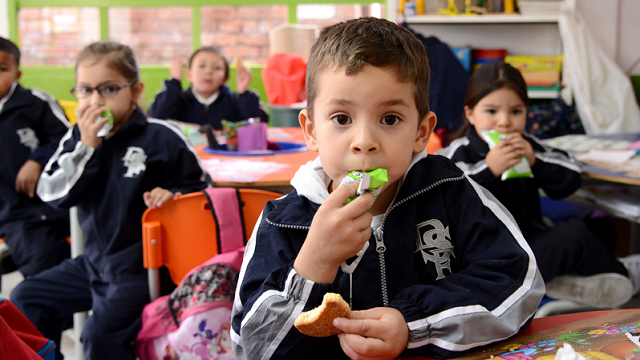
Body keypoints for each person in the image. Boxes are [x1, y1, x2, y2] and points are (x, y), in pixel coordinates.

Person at [231, 17, 545, 360]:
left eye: (390, 119)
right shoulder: (281, 221)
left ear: (421, 133)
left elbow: (521, 282)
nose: (364, 142)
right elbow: (252, 347)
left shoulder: (452, 191)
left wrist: (413, 323)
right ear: (310, 130)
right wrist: (313, 264)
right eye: (341, 118)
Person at [10, 41, 209, 360]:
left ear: (134, 90)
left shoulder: (161, 136)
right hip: (94, 262)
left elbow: (201, 193)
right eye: (85, 91)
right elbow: (53, 194)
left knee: (97, 338)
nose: (94, 100)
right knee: (25, 299)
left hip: (142, 269)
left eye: (108, 89)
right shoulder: (79, 137)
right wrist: (87, 146)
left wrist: (174, 198)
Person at [438, 61, 634, 309]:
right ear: (470, 113)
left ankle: (554, 281)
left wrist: (534, 161)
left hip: (531, 242)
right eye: (491, 112)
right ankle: (624, 276)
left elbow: (571, 174)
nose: (504, 122)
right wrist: (489, 170)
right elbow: (444, 196)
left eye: (516, 112)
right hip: (489, 258)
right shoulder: (456, 154)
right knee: (574, 237)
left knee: (602, 227)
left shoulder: (527, 144)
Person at [0, 36, 71, 278]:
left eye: (2, 69)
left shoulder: (35, 102)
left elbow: (67, 138)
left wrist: (37, 160)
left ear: (17, 74)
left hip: (53, 200)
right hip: (14, 214)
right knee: (43, 261)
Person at [147, 46, 268, 130]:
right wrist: (174, 82)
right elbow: (156, 119)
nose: (208, 71)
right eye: (202, 66)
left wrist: (244, 93)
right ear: (189, 74)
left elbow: (258, 124)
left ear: (225, 78)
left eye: (216, 68)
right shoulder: (177, 100)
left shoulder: (234, 101)